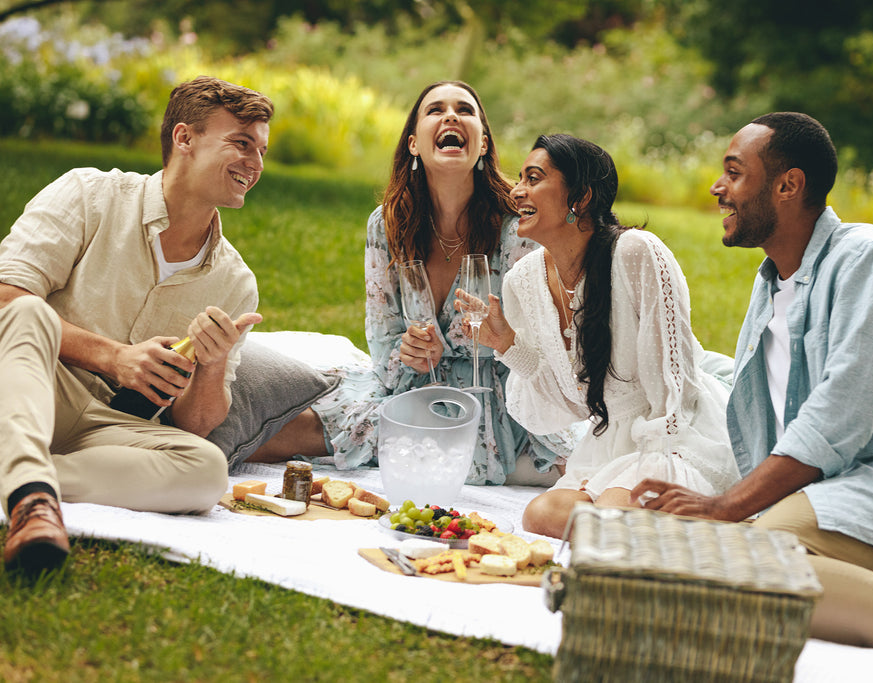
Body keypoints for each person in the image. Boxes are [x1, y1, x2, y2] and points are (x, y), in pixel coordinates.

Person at [631, 112, 873, 671]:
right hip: (832, 505)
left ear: (788, 186)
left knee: (744, 560)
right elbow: (746, 394)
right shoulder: (769, 287)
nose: (718, 188)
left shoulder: (871, 258)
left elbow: (841, 412)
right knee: (707, 566)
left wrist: (727, 506)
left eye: (734, 173)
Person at [0, 76, 271, 572]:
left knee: (206, 472)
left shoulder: (236, 283)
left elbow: (195, 424)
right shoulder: (89, 194)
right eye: (241, 142)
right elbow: (6, 297)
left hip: (108, 428)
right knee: (27, 310)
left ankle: (22, 474)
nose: (255, 163)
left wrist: (209, 368)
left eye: (261, 149)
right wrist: (114, 357)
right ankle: (33, 504)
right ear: (184, 138)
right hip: (33, 385)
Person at [251, 81, 578, 484]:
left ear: (482, 145)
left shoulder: (517, 229)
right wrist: (406, 353)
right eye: (435, 110)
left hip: (497, 396)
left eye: (465, 109)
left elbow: (542, 346)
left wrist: (493, 343)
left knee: (585, 468)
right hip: (408, 387)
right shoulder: (387, 225)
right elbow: (384, 336)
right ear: (413, 144)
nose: (451, 116)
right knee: (267, 430)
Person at [460, 133, 741, 538]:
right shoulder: (525, 279)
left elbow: (675, 389)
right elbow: (565, 408)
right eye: (520, 178)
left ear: (582, 196)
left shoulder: (638, 253)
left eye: (534, 178)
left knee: (609, 517)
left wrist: (652, 465)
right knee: (540, 515)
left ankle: (676, 522)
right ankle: (644, 526)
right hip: (608, 439)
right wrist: (507, 346)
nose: (517, 190)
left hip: (676, 429)